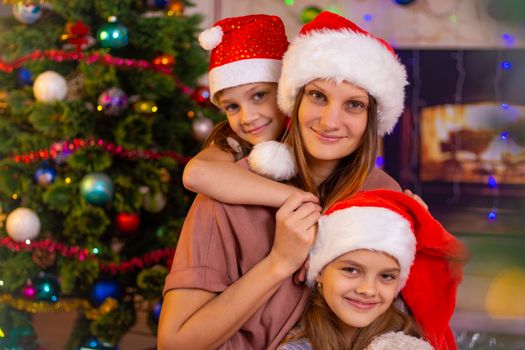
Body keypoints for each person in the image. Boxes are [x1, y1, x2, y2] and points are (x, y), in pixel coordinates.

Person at [158, 12, 416, 350]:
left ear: (371, 118)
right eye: (318, 96)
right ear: (293, 98)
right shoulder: (224, 196)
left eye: (354, 104)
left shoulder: (383, 194)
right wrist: (279, 262)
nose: (330, 121)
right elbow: (175, 344)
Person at [278, 190, 468, 350]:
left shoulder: (409, 341)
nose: (367, 289)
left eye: (386, 276)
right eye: (351, 270)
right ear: (319, 270)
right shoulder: (295, 344)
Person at [182, 14, 308, 207]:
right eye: (232, 106)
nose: (247, 117)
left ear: (285, 89)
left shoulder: (312, 133)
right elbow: (195, 174)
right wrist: (297, 198)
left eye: (258, 95)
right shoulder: (233, 142)